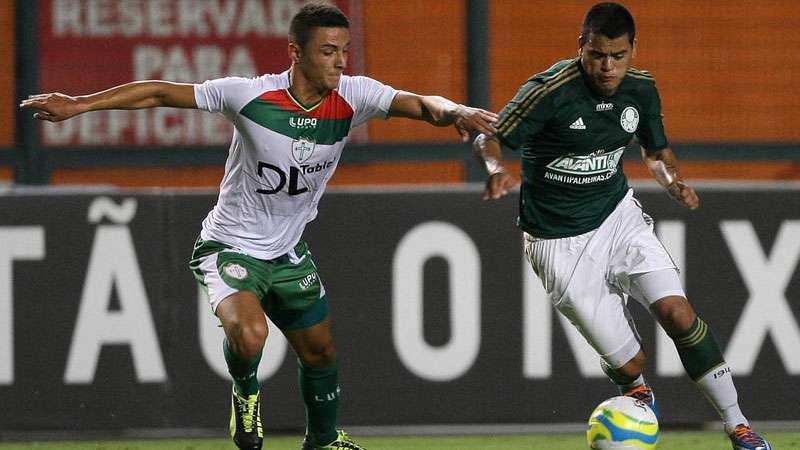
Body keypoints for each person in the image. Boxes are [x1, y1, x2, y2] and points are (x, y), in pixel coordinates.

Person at [22, 3, 497, 449]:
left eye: (344, 52)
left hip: (288, 253)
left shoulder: (356, 96)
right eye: (327, 52)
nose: (339, 64)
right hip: (229, 247)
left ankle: (325, 440)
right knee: (251, 335)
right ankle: (245, 394)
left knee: (321, 353)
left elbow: (422, 103)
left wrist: (456, 110)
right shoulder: (250, 95)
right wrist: (80, 104)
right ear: (296, 52)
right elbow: (161, 91)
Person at [472, 3, 771, 450]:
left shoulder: (641, 90)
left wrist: (673, 181)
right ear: (581, 47)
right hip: (556, 240)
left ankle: (739, 425)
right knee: (631, 364)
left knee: (678, 314)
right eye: (597, 55)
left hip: (617, 219)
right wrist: (495, 168)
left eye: (618, 56)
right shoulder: (549, 91)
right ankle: (636, 396)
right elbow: (488, 134)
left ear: (633, 50)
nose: (607, 67)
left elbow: (655, 149)